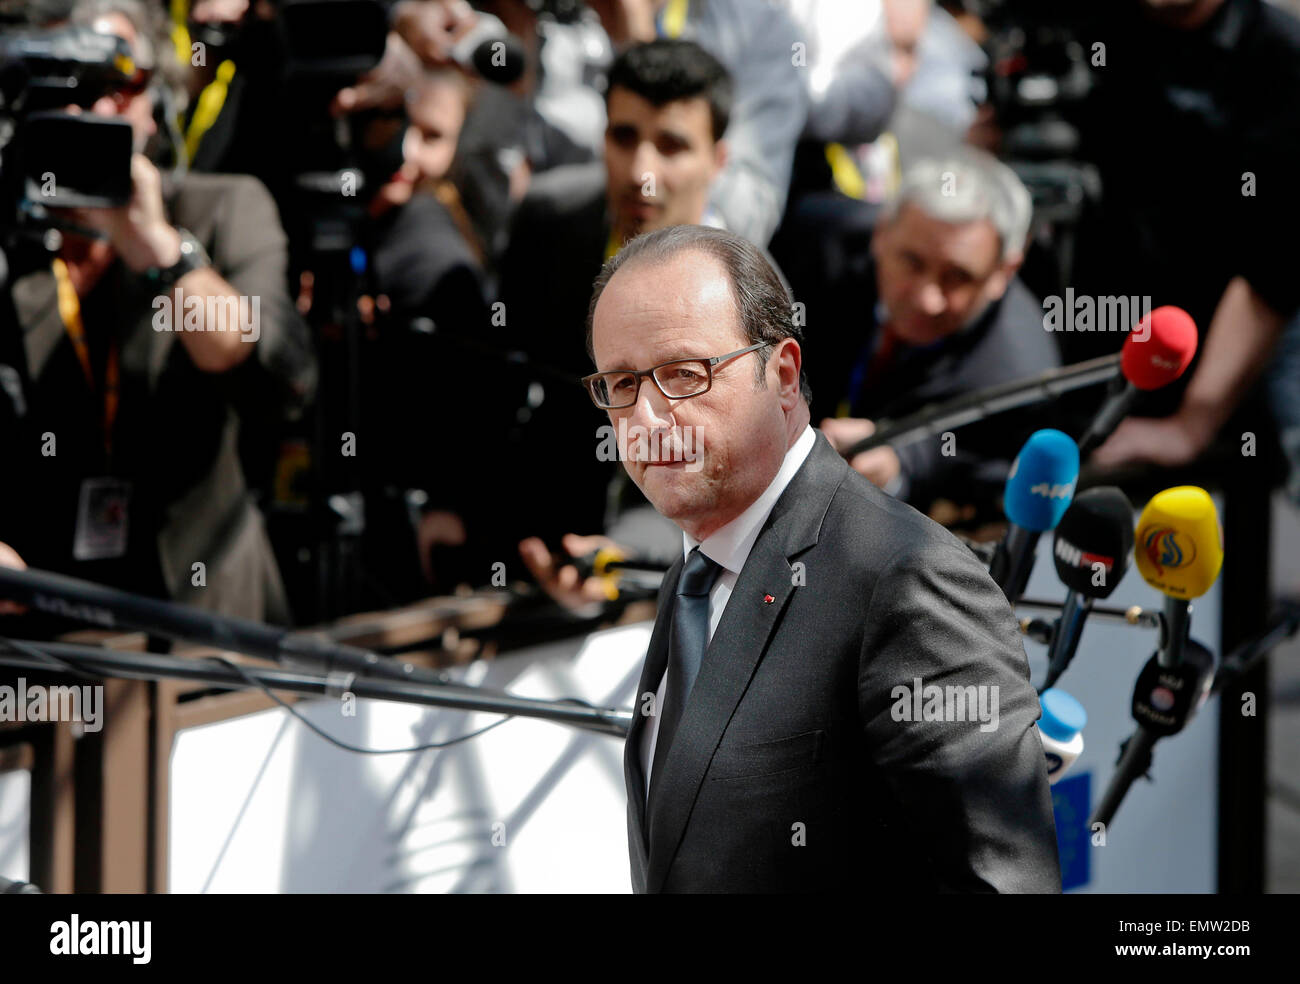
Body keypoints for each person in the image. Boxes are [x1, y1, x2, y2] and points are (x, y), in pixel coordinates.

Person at [584, 224, 1060, 892]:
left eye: (684, 375)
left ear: (781, 374)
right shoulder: (694, 574)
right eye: (621, 384)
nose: (649, 420)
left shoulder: (909, 580)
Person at [0, 0, 312, 624]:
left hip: (209, 616)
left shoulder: (223, 208)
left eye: (120, 83)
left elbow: (276, 373)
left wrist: (158, 248)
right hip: (52, 619)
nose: (95, 110)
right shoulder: (11, 236)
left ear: (156, 101)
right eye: (70, 88)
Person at [499, 38, 730, 558]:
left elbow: (733, 478)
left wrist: (622, 556)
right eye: (624, 137)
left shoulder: (747, 292)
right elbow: (501, 387)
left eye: (671, 146)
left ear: (718, 160)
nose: (641, 172)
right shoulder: (549, 222)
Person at [810, 151, 1059, 516]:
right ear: (881, 233)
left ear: (1003, 273)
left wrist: (898, 466)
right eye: (912, 262)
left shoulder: (1019, 378)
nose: (927, 300)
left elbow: (970, 467)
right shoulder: (818, 241)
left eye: (957, 277)